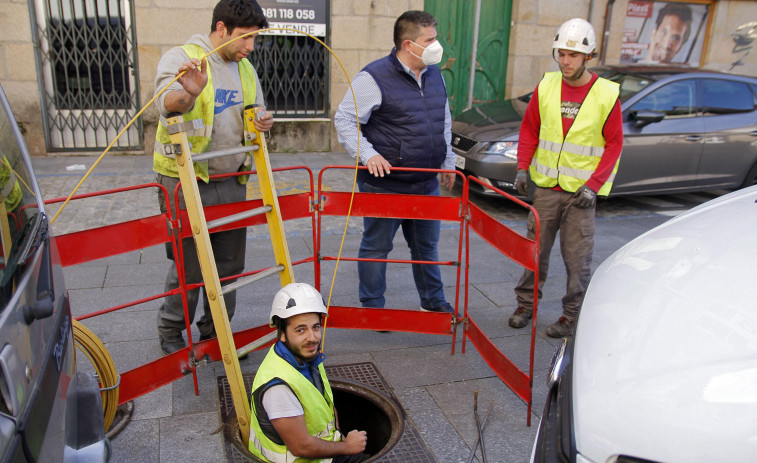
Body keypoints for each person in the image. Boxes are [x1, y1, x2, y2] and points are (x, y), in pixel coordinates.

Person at [153, 0, 274, 355]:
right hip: (185, 181)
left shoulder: (246, 68)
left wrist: (263, 120)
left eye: (254, 39)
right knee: (189, 264)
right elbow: (163, 103)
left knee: (229, 265)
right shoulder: (183, 57)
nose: (250, 46)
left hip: (230, 180)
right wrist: (188, 92)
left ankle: (215, 331)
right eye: (244, 37)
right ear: (221, 29)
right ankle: (172, 331)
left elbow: (256, 110)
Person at [507, 18, 623, 338]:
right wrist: (522, 167)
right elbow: (530, 128)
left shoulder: (605, 94)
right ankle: (525, 305)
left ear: (588, 56)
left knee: (577, 259)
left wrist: (594, 186)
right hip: (546, 189)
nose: (565, 61)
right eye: (561, 54)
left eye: (573, 55)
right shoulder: (546, 86)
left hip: (581, 194)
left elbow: (614, 144)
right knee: (535, 251)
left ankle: (571, 315)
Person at [333, 10, 455, 314]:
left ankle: (434, 303)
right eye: (430, 40)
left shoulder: (435, 73)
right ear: (408, 44)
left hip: (426, 181)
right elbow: (345, 119)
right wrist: (368, 154)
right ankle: (374, 307)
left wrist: (448, 160)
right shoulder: (373, 78)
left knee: (427, 247)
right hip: (385, 185)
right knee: (376, 248)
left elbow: (443, 119)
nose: (436, 45)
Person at [249, 283, 369, 463]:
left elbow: (326, 405)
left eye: (315, 327)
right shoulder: (279, 386)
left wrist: (340, 437)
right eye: (300, 330)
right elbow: (300, 446)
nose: (312, 338)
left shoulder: (306, 356)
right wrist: (347, 447)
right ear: (282, 334)